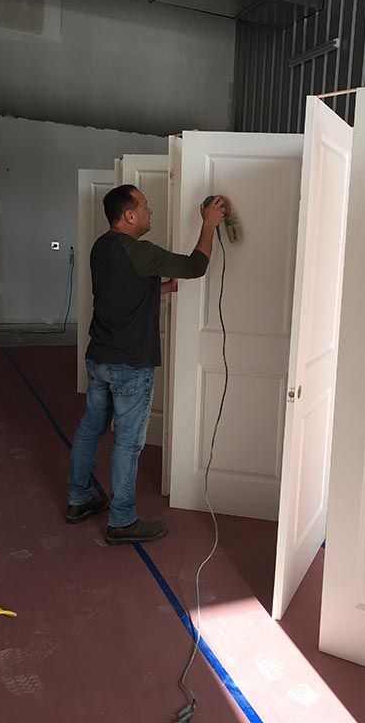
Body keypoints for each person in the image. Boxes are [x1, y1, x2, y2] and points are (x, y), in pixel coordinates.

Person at [66, 184, 225, 544]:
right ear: (129, 216)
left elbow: (121, 292)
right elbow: (195, 266)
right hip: (129, 365)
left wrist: (162, 289)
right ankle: (121, 521)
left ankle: (78, 500)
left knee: (90, 429)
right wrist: (209, 224)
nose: (150, 211)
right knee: (127, 443)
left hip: (99, 359)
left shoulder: (101, 247)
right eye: (145, 205)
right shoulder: (141, 251)